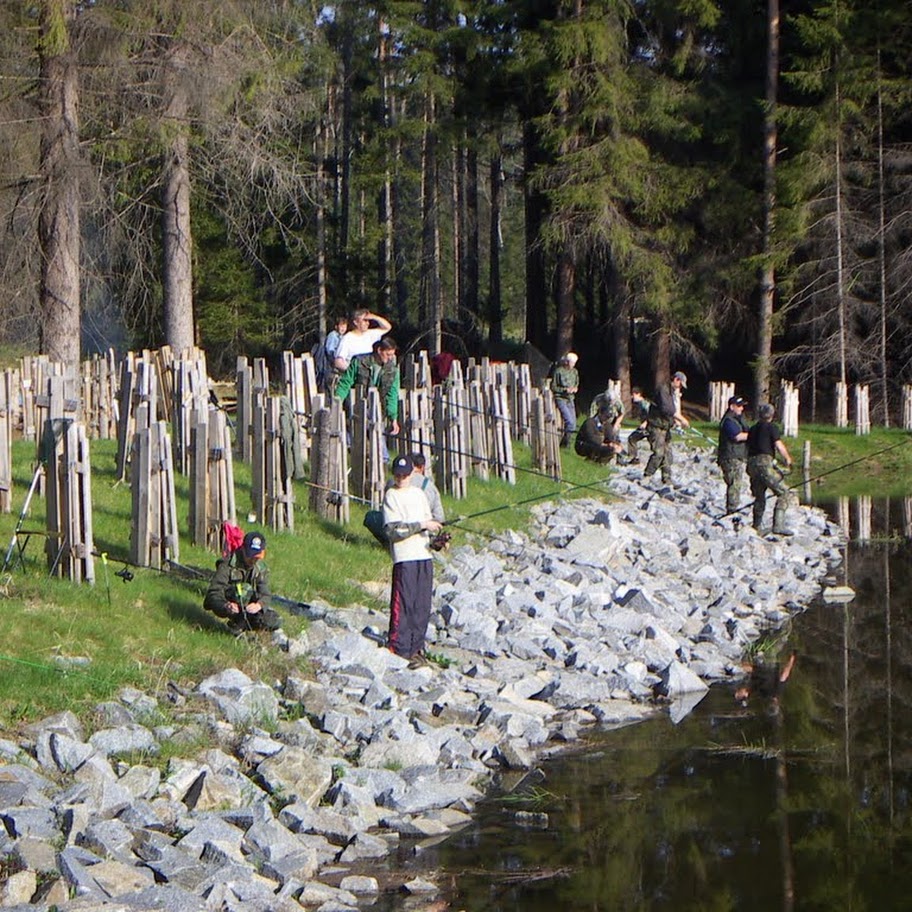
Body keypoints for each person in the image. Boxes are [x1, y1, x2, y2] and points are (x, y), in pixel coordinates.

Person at [382, 454, 443, 667]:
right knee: (403, 603)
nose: (401, 478)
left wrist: (437, 540)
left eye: (405, 475)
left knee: (421, 605)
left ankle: (416, 648)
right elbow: (393, 530)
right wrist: (422, 526)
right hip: (404, 557)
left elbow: (431, 523)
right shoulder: (391, 496)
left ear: (411, 474)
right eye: (397, 475)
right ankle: (398, 646)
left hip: (423, 554)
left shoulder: (419, 494)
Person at [335, 336, 401, 462]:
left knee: (378, 436)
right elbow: (346, 382)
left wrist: (393, 417)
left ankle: (383, 461)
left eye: (392, 354)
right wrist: (337, 401)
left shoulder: (393, 370)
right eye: (388, 354)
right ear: (379, 350)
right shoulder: (360, 362)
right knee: (357, 437)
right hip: (358, 405)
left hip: (378, 408)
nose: (390, 357)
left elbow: (392, 394)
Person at [203, 531, 280, 634]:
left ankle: (243, 625)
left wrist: (259, 605)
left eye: (256, 557)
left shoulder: (260, 569)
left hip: (249, 608)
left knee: (274, 620)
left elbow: (265, 594)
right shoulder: (227, 565)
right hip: (230, 605)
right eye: (250, 556)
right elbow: (213, 593)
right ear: (243, 549)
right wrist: (226, 606)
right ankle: (236, 622)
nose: (253, 560)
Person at [747, 402, 795, 535]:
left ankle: (756, 526)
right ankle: (778, 525)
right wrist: (787, 459)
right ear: (772, 415)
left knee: (759, 496)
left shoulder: (752, 429)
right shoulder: (772, 428)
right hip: (764, 464)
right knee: (784, 492)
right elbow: (778, 445)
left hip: (751, 465)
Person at [643, 370, 690, 485]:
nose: (680, 387)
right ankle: (647, 475)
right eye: (680, 384)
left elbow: (671, 411)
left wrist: (675, 422)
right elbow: (666, 409)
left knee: (668, 454)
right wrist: (681, 418)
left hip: (666, 427)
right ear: (676, 379)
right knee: (658, 453)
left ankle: (667, 478)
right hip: (656, 426)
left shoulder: (672, 392)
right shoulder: (663, 390)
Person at [718, 395, 750, 515]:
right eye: (739, 406)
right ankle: (732, 508)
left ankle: (733, 506)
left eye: (742, 406)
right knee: (734, 483)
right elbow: (737, 436)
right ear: (732, 407)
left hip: (737, 456)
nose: (741, 408)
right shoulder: (728, 421)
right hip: (730, 457)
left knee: (736, 482)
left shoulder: (738, 419)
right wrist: (753, 435)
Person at [333, 309, 392, 373]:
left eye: (368, 321)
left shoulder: (371, 334)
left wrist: (374, 317)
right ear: (355, 322)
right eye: (365, 320)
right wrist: (352, 372)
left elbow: (387, 327)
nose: (368, 323)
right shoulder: (347, 339)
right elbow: (338, 362)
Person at [552, 352, 580, 447]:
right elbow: (554, 387)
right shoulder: (559, 372)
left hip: (570, 399)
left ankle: (568, 442)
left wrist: (575, 389)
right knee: (569, 422)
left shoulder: (574, 372)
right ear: (567, 362)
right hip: (561, 398)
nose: (573, 365)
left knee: (574, 423)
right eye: (572, 362)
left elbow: (576, 383)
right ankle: (565, 444)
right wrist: (564, 390)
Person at [315, 315, 348, 394]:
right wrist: (335, 362)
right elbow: (329, 351)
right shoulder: (333, 336)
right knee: (330, 387)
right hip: (330, 365)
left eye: (345, 326)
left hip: (338, 364)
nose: (343, 328)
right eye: (341, 326)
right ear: (336, 326)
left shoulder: (343, 337)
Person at [410, 452, 445, 523]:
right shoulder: (430, 486)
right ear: (422, 467)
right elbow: (439, 517)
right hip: (424, 529)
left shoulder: (394, 482)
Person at [626, 387, 651, 465]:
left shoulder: (644, 404)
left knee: (632, 438)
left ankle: (634, 457)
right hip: (645, 427)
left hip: (648, 427)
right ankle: (634, 458)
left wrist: (645, 423)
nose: (632, 397)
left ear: (638, 394)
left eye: (633, 394)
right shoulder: (640, 404)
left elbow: (651, 415)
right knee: (632, 438)